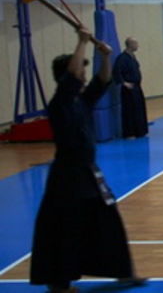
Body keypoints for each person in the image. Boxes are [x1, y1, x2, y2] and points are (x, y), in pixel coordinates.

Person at [31, 28, 146, 292]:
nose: (83, 75)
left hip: (88, 173)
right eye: (79, 71)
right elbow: (71, 76)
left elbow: (102, 81)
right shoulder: (60, 102)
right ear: (65, 77)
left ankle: (123, 272)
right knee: (64, 227)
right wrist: (82, 41)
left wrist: (104, 57)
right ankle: (59, 283)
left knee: (109, 221)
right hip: (67, 176)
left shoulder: (81, 101)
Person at [113, 37, 148, 138]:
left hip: (137, 87)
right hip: (128, 89)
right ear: (130, 44)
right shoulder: (122, 58)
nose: (137, 45)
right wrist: (124, 83)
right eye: (135, 43)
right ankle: (130, 133)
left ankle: (140, 131)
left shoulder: (133, 57)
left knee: (139, 109)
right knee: (129, 111)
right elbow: (116, 72)